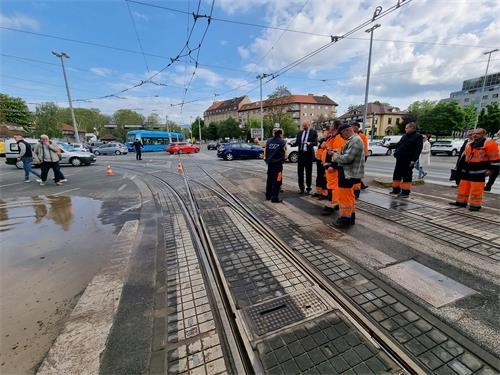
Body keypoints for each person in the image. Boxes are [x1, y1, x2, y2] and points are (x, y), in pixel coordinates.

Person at [450, 128, 500, 211]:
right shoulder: (470, 143)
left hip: (479, 171)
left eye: (478, 133)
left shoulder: (489, 143)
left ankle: (475, 205)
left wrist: (491, 170)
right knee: (463, 187)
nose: (474, 135)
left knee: (476, 189)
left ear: (483, 134)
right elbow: (464, 157)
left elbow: (495, 159)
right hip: (467, 170)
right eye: (474, 133)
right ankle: (461, 202)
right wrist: (460, 169)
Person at [330, 123, 365, 228]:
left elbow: (347, 158)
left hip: (348, 174)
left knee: (344, 198)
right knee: (349, 197)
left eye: (341, 134)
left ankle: (344, 219)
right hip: (349, 173)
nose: (341, 137)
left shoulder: (355, 140)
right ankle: (350, 217)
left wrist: (334, 155)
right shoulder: (354, 140)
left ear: (346, 130)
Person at [390, 122, 423, 198]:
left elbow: (418, 150)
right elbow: (398, 144)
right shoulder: (405, 136)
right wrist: (389, 146)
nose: (405, 129)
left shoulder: (418, 137)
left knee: (407, 176)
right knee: (397, 174)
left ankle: (405, 192)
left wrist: (413, 160)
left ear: (412, 128)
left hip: (408, 159)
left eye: (406, 128)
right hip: (400, 158)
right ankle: (396, 189)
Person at [321, 120, 345, 215]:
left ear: (335, 127)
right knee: (331, 185)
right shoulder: (332, 137)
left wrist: (333, 165)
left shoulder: (338, 138)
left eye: (331, 125)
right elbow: (328, 148)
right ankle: (334, 203)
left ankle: (333, 204)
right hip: (328, 165)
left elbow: (337, 153)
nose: (329, 127)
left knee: (333, 187)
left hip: (332, 167)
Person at [264, 128, 287, 203]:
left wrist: (267, 159)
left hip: (270, 164)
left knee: (269, 180)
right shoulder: (283, 142)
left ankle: (268, 195)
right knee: (277, 180)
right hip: (278, 165)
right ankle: (274, 197)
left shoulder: (269, 141)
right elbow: (285, 154)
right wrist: (283, 159)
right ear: (280, 134)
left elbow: (266, 151)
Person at [295, 121, 318, 194]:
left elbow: (315, 143)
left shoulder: (313, 132)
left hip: (308, 155)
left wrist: (309, 143)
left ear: (309, 125)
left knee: (308, 172)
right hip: (301, 155)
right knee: (300, 172)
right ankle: (301, 188)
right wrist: (292, 144)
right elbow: (297, 142)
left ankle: (308, 188)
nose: (304, 128)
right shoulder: (299, 133)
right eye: (303, 126)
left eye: (305, 126)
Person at [351, 122, 368, 196]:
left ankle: (356, 191)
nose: (352, 128)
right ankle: (357, 188)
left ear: (357, 127)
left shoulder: (361, 136)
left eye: (353, 127)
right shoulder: (353, 135)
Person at [313, 124, 330, 199]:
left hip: (324, 162)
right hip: (319, 161)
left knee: (324, 177)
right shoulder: (323, 140)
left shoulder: (329, 140)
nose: (323, 133)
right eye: (323, 131)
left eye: (325, 131)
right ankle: (318, 191)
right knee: (319, 176)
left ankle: (325, 193)